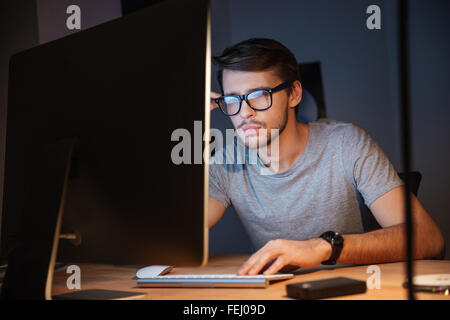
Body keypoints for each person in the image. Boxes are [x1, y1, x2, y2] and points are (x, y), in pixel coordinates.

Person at [207, 38, 445, 276]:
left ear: (294, 94)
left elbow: (428, 238)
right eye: (232, 100)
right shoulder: (226, 162)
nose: (244, 113)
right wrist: (177, 115)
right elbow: (175, 234)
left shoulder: (346, 143)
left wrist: (324, 247)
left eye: (258, 95)